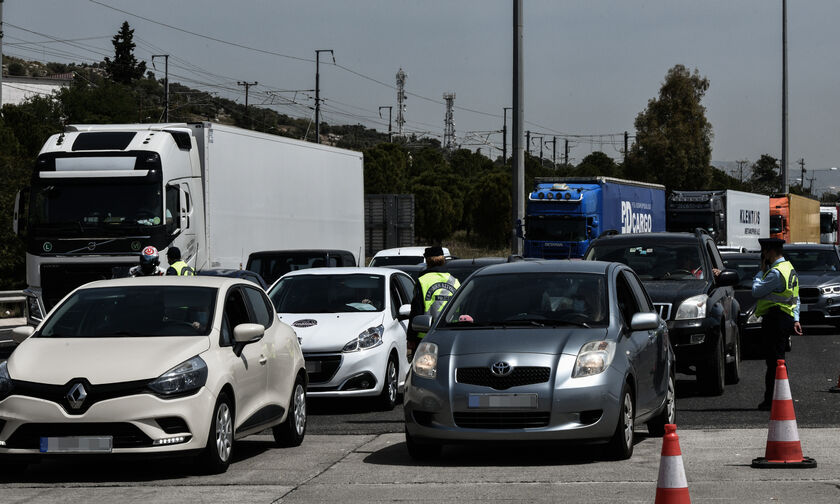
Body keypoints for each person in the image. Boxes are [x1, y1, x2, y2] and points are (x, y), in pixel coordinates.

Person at [752, 237, 802, 411]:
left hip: (776, 318)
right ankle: (781, 397)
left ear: (770, 252)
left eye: (764, 252)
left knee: (774, 362)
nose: (763, 255)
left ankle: (772, 400)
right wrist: (796, 318)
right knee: (778, 359)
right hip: (786, 317)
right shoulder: (789, 268)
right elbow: (796, 297)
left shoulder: (774, 272)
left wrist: (760, 273)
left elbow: (756, 291)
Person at [406, 246, 460, 355]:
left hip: (426, 337)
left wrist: (411, 337)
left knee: (424, 370)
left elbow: (416, 310)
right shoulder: (455, 281)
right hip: (451, 335)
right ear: (443, 260)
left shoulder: (423, 281)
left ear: (427, 261)